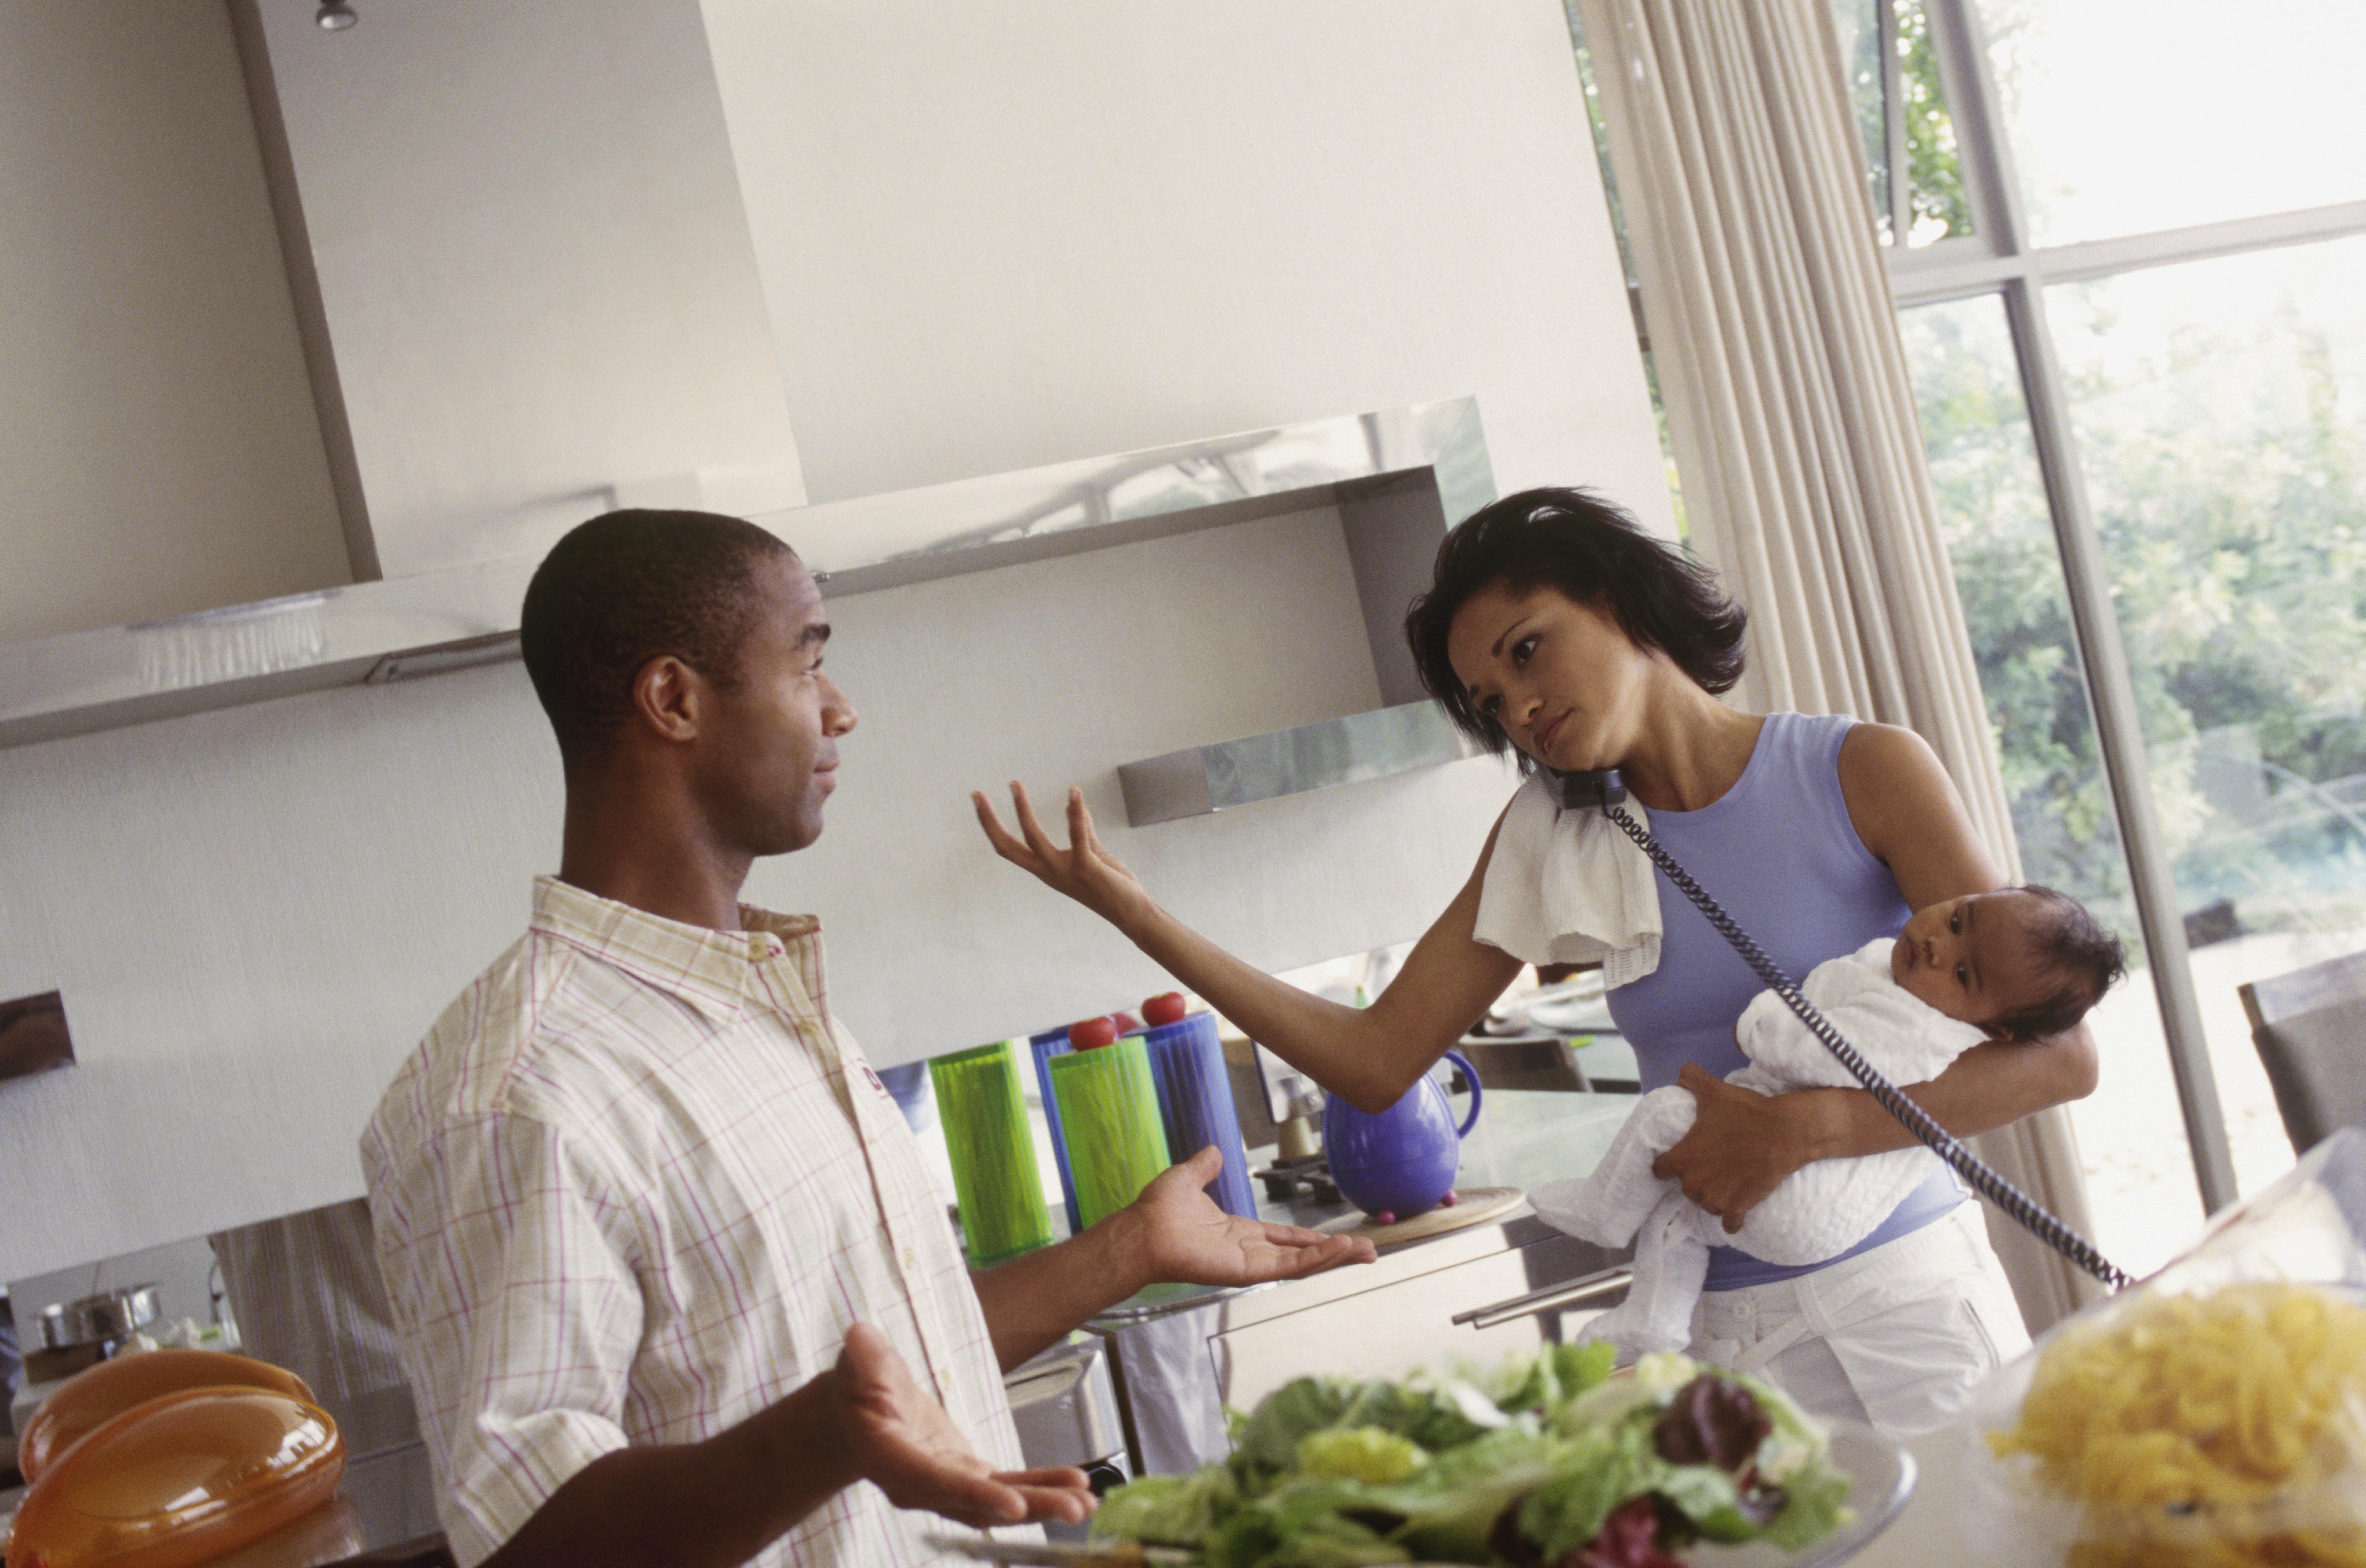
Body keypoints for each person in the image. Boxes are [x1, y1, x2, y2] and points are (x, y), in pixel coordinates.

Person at [361, 510, 1376, 1568]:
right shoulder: (520, 1091)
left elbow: (883, 1362)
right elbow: (532, 1544)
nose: (843, 709)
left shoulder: (760, 1001)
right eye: (808, 663)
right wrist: (819, 1437)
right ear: (675, 699)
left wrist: (1130, 1249)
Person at [975, 486, 2101, 1437]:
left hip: (1897, 1291)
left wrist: (1810, 1127)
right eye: (1490, 701)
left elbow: (2056, 1061)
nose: (1518, 706)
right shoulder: (1551, 839)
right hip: (1719, 1336)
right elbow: (1373, 1059)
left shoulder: (1860, 767)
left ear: (1612, 600)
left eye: (1526, 652)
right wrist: (1134, 912)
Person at [1536, 885, 2125, 1362]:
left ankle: (1603, 1212)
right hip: (1803, 1219)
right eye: (1958, 919)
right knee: (1680, 1217)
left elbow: (1807, 1052)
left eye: (1965, 974)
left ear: (1996, 1030)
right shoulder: (1906, 983)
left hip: (1809, 1197)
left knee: (1667, 1113)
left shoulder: (1919, 1030)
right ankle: (1653, 1321)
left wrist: (1764, 1020)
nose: (1939, 945)